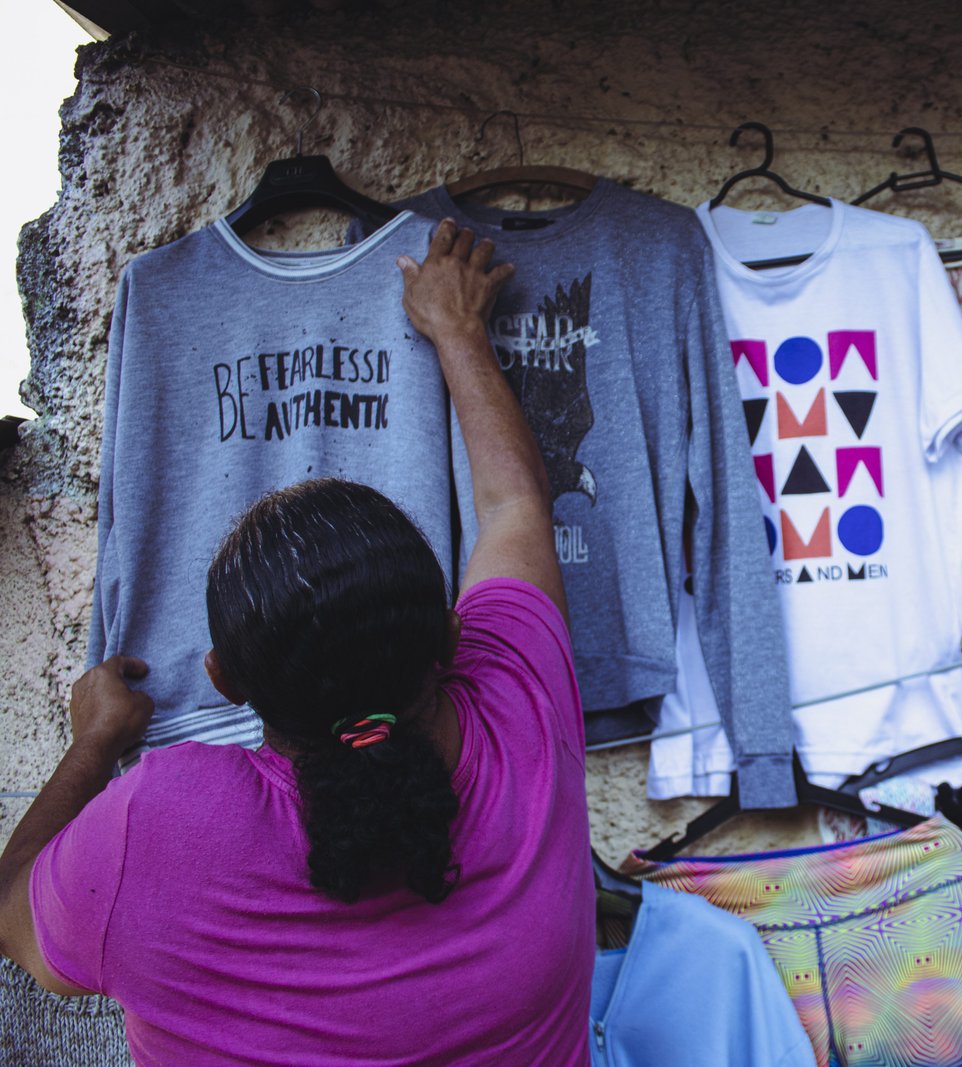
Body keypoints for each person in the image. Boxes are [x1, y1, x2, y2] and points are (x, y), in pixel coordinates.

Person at [0, 219, 596, 1065]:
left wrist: (93, 744)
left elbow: (13, 916)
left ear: (224, 679)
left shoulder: (159, 826)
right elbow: (515, 506)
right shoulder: (521, 714)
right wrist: (458, 329)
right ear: (451, 633)